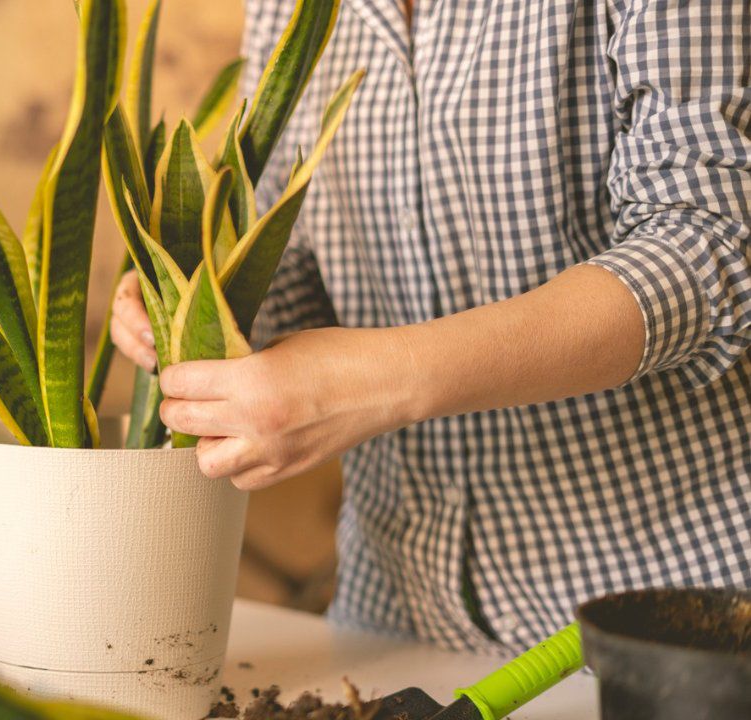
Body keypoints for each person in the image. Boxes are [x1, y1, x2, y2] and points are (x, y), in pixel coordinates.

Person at [109, 0, 751, 653]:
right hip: (391, 612)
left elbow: (705, 245)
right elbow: (294, 260)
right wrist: (191, 303)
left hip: (662, 616)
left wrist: (376, 381)